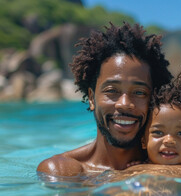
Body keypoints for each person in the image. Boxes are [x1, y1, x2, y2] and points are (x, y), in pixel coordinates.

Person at [37, 22, 172, 176]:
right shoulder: (62, 171)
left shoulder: (174, 159)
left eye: (139, 92)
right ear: (91, 98)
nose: (124, 104)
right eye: (112, 91)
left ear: (153, 98)